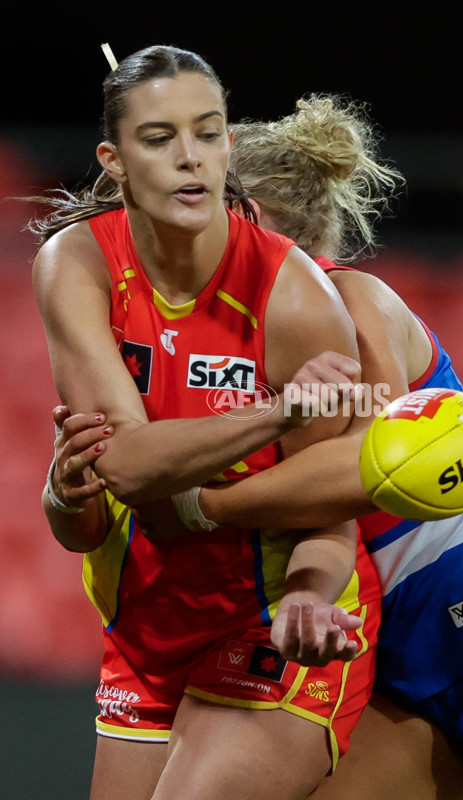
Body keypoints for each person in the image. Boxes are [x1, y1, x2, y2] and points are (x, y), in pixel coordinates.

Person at [47, 94, 463, 800]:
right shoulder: (197, 345)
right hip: (376, 644)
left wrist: (200, 504)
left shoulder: (353, 304)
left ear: (243, 218)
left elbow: (362, 471)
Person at [30, 46, 382, 800]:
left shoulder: (295, 297)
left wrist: (309, 596)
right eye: (159, 139)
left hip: (273, 619)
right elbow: (116, 476)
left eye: (209, 132)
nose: (190, 159)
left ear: (229, 145)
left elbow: (332, 506)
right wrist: (66, 497)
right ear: (114, 159)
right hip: (145, 629)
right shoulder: (77, 265)